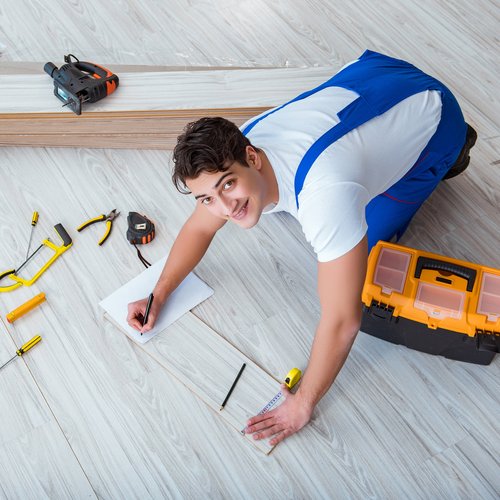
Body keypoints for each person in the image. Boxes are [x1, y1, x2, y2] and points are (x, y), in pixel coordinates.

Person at [127, 50, 477, 445]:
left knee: (369, 252)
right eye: (206, 197)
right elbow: (199, 229)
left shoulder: (326, 197)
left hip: (432, 109)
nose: (222, 207)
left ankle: (455, 147)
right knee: (261, 209)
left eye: (228, 185)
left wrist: (303, 402)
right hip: (371, 76)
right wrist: (160, 292)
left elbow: (344, 319)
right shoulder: (238, 145)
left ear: (252, 157)